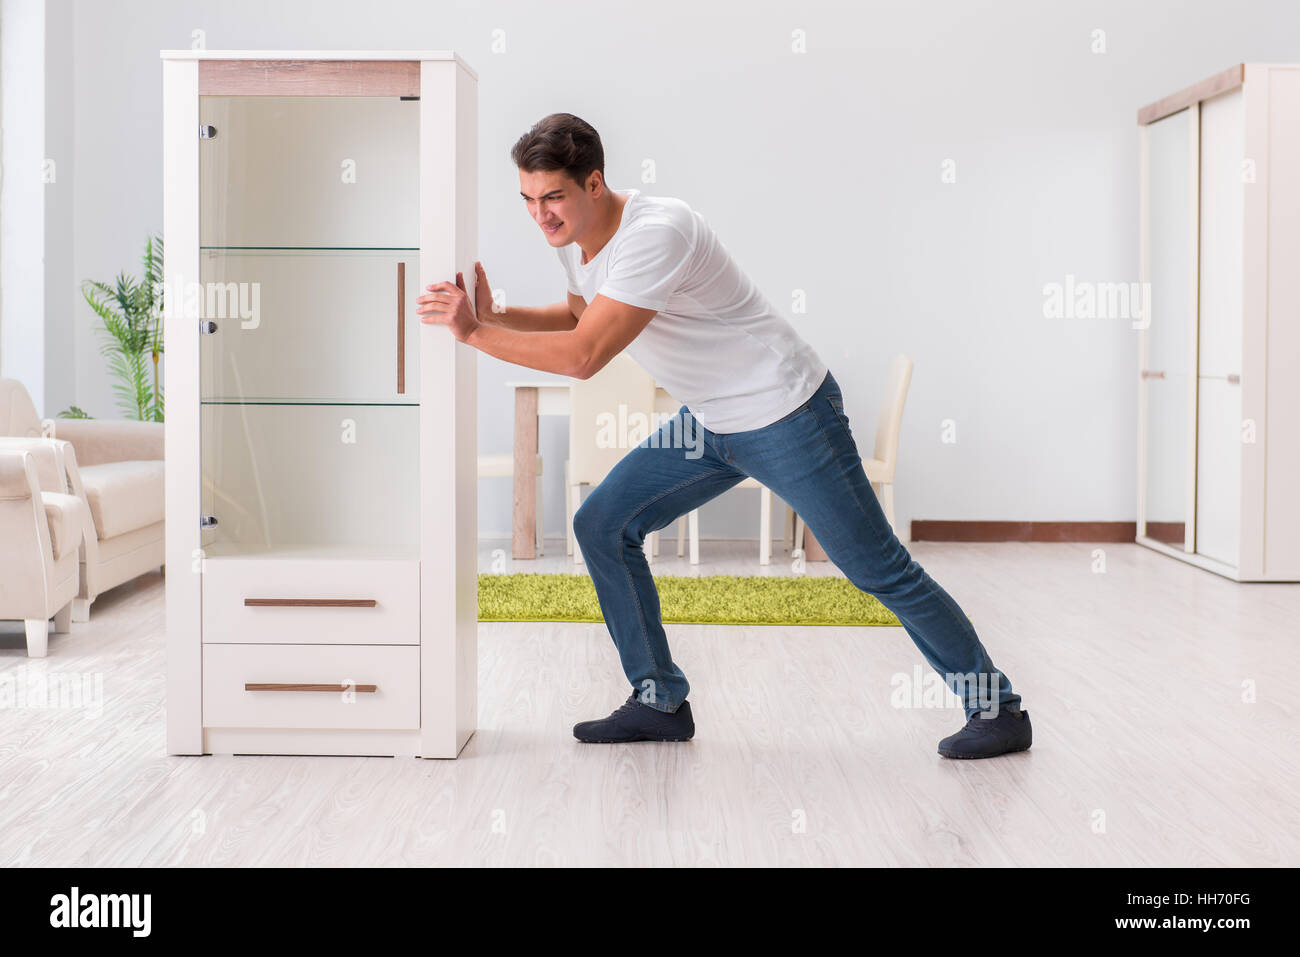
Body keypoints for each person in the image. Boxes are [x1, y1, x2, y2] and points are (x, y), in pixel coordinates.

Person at [416, 113, 1031, 759]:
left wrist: (474, 332)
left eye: (553, 198)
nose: (541, 215)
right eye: (529, 201)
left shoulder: (659, 230)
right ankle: (658, 702)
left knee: (877, 568)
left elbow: (584, 354)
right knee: (602, 523)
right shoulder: (577, 242)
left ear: (594, 183)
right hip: (709, 421)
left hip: (787, 411)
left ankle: (998, 710)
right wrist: (496, 312)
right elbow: (580, 313)